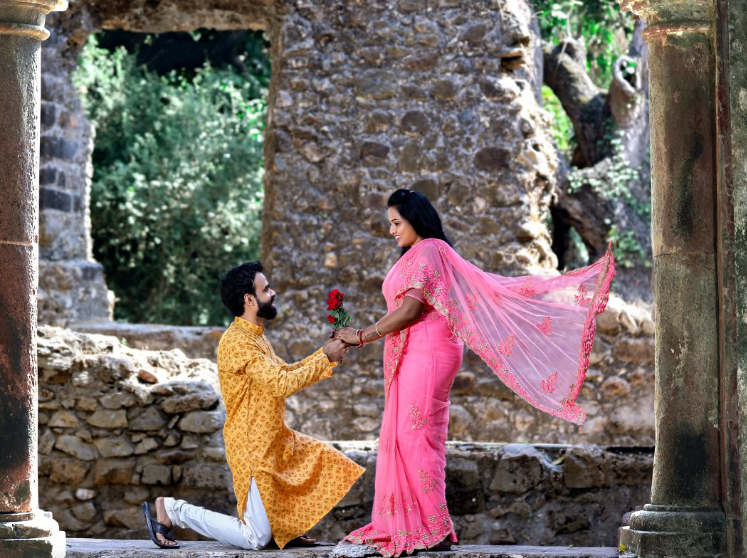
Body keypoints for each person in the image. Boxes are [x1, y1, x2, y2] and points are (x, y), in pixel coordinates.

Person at [334, 188, 614, 557]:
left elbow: (410, 310)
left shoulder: (430, 249)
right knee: (410, 435)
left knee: (416, 436)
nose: (391, 230)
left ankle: (432, 527)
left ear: (416, 219)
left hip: (428, 349)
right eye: (390, 224)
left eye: (396, 222)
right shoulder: (421, 253)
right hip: (420, 348)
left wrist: (361, 336)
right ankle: (419, 524)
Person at [143, 260, 364, 550]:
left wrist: (325, 353)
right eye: (266, 289)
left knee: (330, 463)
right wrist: (326, 358)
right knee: (255, 538)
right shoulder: (237, 342)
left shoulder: (257, 339)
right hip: (252, 447)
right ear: (249, 299)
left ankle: (285, 529)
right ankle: (174, 510)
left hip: (274, 440)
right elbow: (281, 384)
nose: (273, 293)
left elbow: (284, 372)